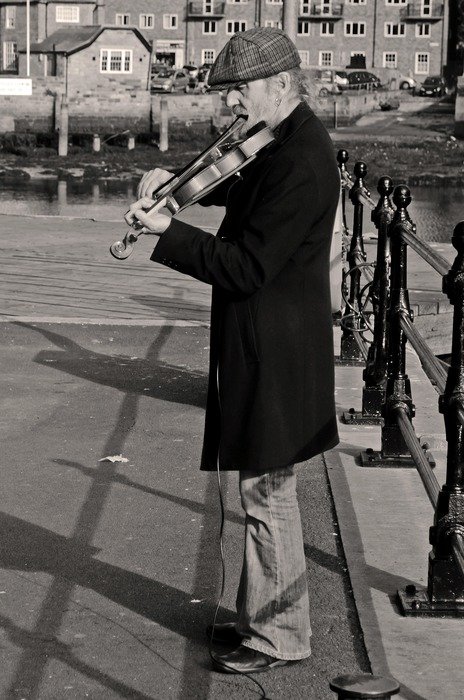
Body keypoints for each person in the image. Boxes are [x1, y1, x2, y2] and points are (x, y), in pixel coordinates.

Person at [125, 27, 340, 675]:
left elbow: (246, 265)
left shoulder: (301, 159)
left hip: (276, 350)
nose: (232, 107)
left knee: (267, 493)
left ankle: (281, 638)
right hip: (270, 342)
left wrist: (168, 232)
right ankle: (264, 624)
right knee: (262, 490)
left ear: (280, 83)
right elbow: (245, 188)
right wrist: (184, 184)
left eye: (241, 91)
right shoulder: (282, 142)